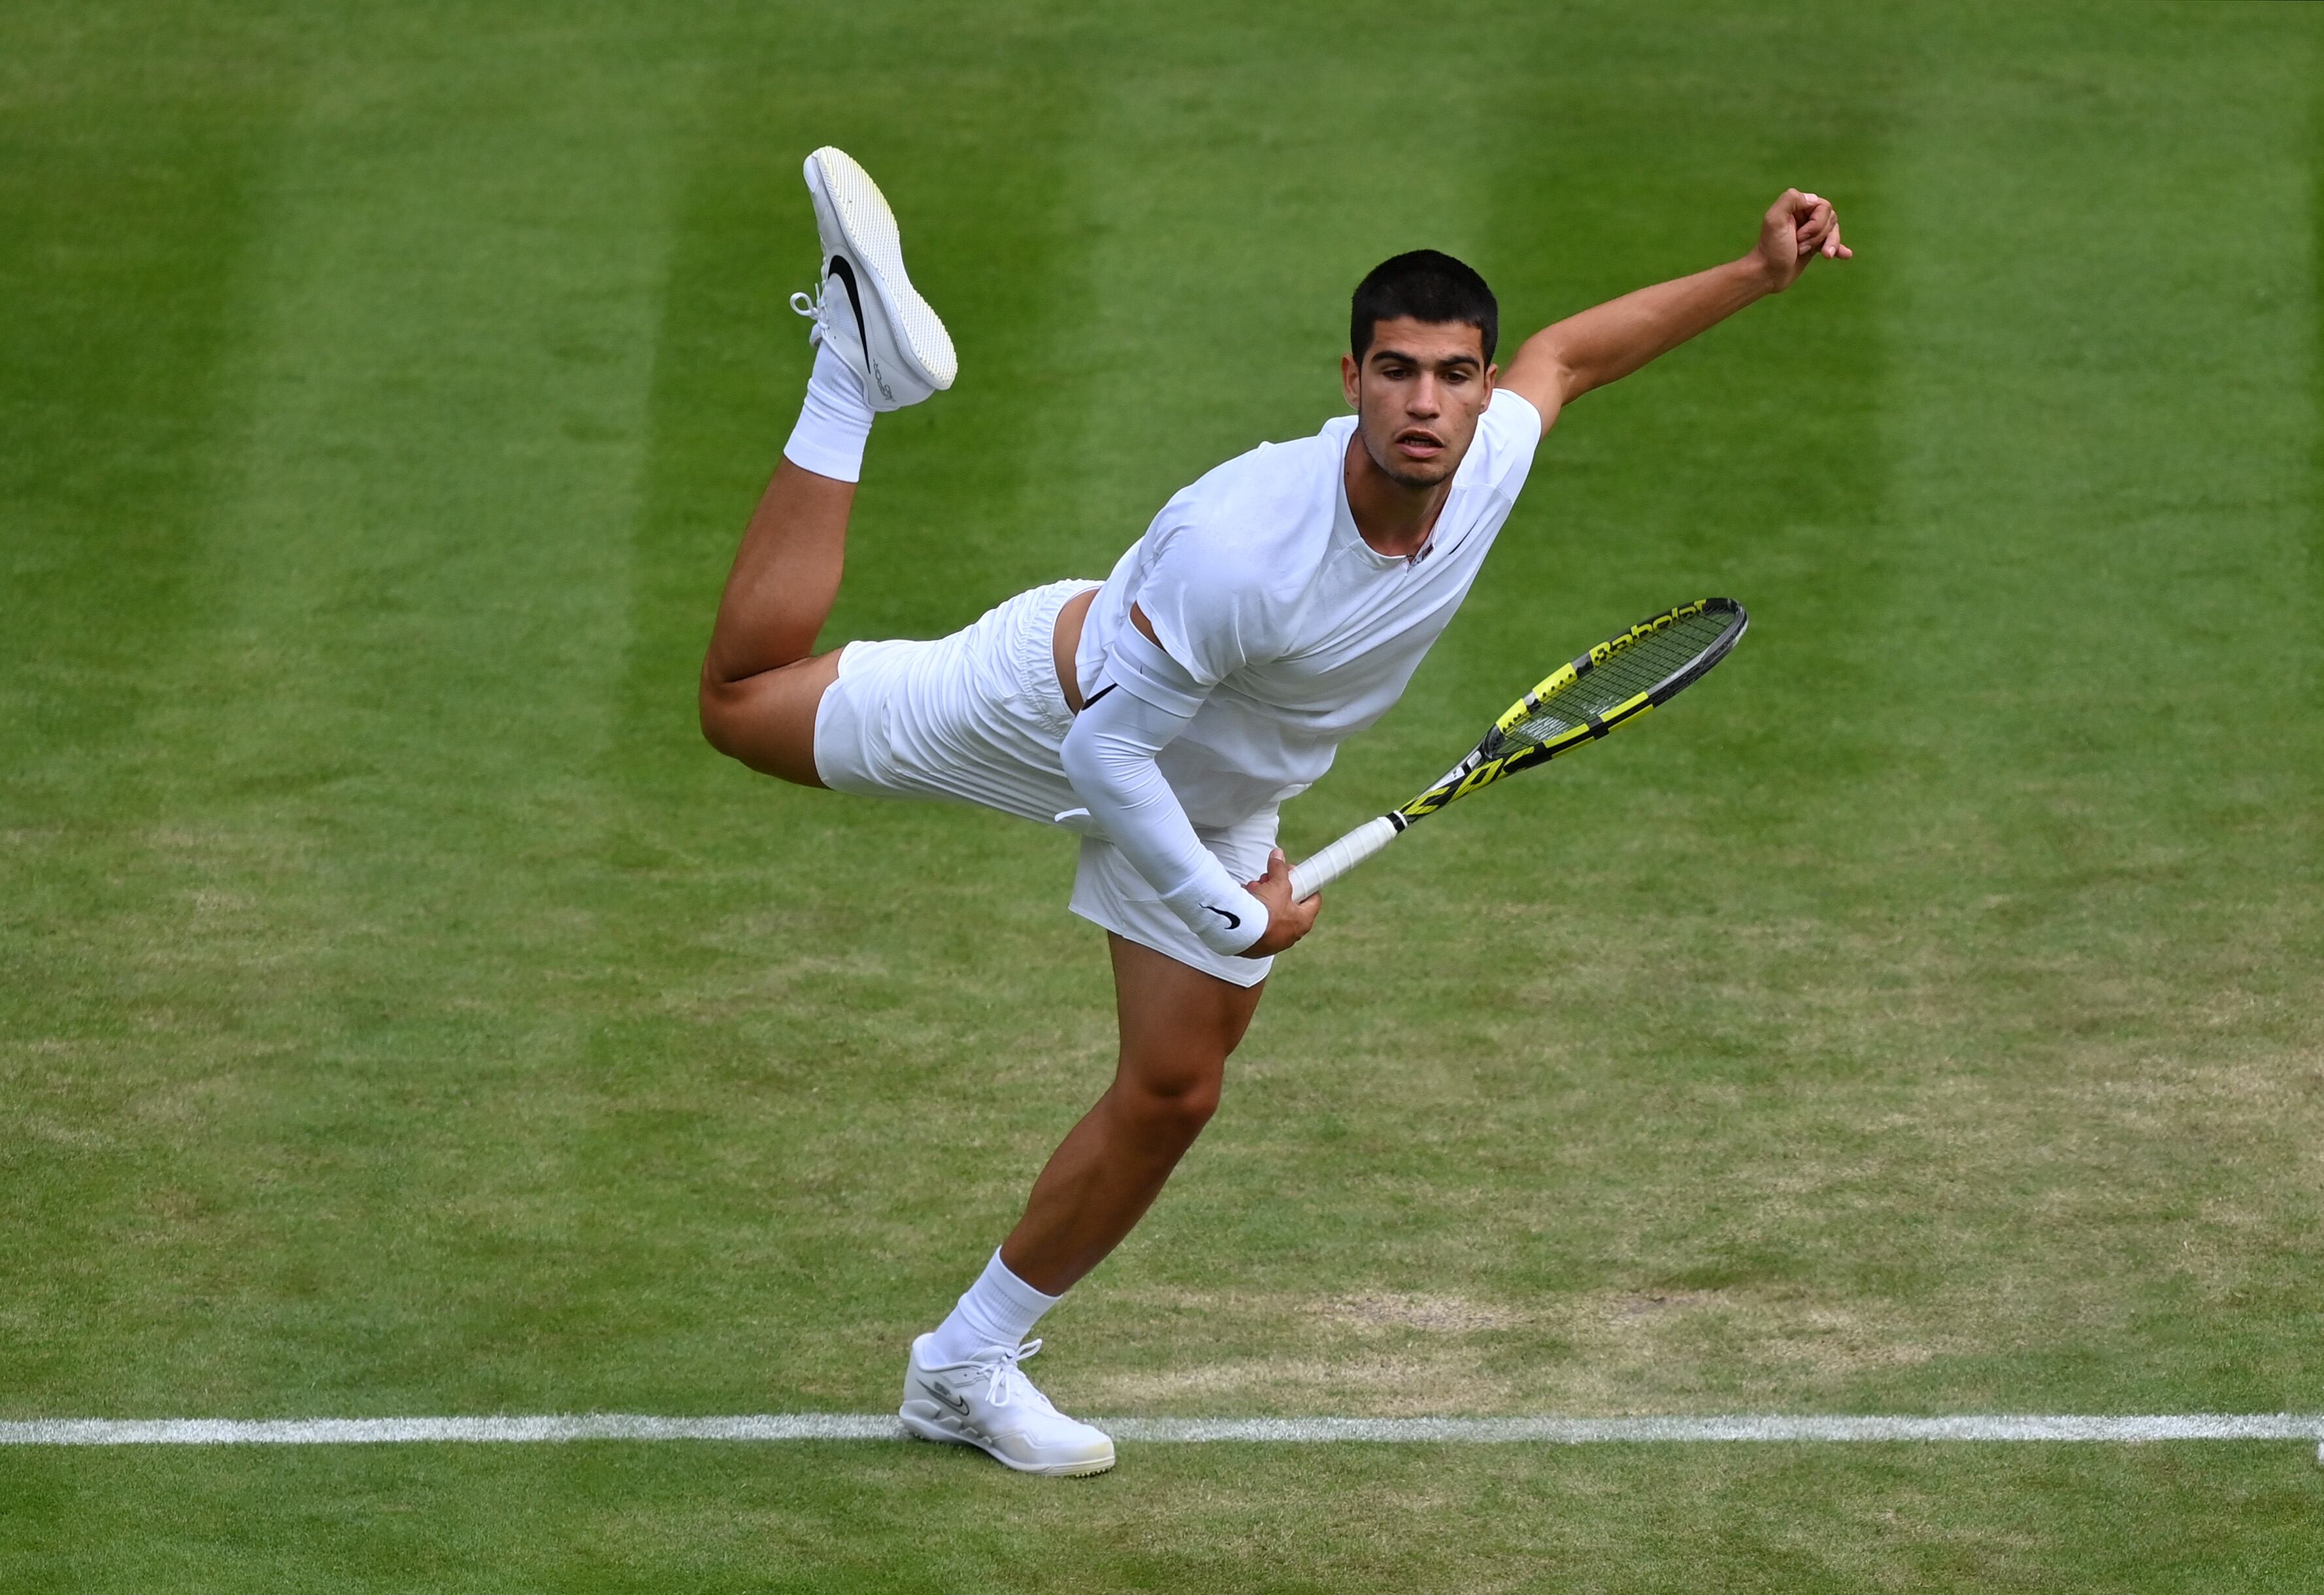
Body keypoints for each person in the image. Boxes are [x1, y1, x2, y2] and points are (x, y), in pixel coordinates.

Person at [699, 148, 1849, 1476]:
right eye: (1397, 371)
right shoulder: (1243, 546)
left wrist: (1758, 275)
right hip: (1058, 711)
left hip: (1221, 785)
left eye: (1454, 375)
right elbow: (1102, 756)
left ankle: (963, 1367)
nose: (1427, 404)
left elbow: (1575, 354)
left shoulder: (1488, 462)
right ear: (1349, 379)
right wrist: (1219, 902)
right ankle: (851, 371)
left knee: (1177, 1086)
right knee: (741, 703)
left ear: (1477, 392)